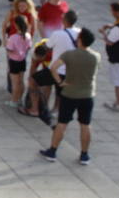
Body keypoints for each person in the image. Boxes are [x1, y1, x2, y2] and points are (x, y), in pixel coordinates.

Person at [39, 28, 101, 164]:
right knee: (85, 124)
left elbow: (54, 68)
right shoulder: (96, 56)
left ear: (80, 40)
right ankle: (84, 155)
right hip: (87, 94)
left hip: (70, 93)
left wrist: (60, 82)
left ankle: (52, 151)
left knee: (62, 123)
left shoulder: (69, 55)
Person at [5, 14, 32, 106]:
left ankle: (14, 100)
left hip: (14, 61)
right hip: (22, 60)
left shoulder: (13, 38)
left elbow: (9, 49)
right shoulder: (28, 36)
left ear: (16, 25)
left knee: (15, 82)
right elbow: (29, 47)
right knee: (21, 81)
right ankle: (20, 98)